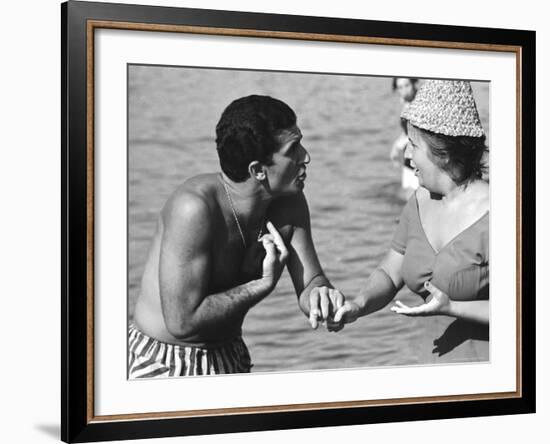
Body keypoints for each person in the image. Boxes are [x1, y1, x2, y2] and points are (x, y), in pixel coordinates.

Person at [129, 95, 346, 378]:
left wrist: (321, 296)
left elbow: (311, 281)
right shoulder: (194, 208)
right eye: (293, 149)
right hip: (163, 362)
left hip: (231, 357)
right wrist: (262, 285)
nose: (306, 156)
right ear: (257, 170)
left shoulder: (289, 201)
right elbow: (182, 322)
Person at [335, 80, 489, 361]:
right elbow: (390, 273)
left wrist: (451, 306)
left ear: (443, 151)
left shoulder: (500, 213)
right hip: (426, 366)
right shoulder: (418, 201)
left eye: (413, 145)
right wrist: (357, 305)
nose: (406, 155)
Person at [389, 78, 420, 200]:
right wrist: (396, 146)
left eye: (406, 85)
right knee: (408, 198)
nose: (404, 90)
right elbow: (406, 132)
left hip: (419, 159)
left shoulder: (420, 104)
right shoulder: (406, 104)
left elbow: (418, 133)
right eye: (400, 87)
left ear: (413, 83)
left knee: (415, 199)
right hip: (408, 157)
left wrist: (399, 145)